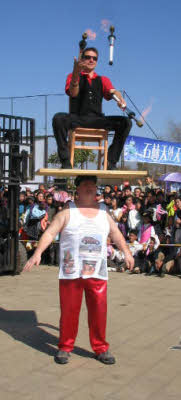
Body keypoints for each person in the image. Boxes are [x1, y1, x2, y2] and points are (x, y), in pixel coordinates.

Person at [24, 175, 134, 365]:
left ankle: (100, 348)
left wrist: (127, 252)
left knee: (99, 311)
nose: (90, 188)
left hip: (97, 272)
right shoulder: (67, 211)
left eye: (92, 185)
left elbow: (116, 233)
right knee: (69, 311)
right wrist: (37, 253)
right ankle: (65, 347)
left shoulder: (104, 212)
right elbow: (50, 232)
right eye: (85, 185)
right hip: (71, 271)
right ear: (78, 189)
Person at [52, 47, 132, 170]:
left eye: (94, 58)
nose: (91, 60)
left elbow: (113, 91)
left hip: (97, 119)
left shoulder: (102, 79)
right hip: (77, 118)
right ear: (82, 59)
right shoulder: (73, 76)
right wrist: (75, 72)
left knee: (125, 122)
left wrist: (120, 99)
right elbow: (73, 93)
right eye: (88, 57)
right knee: (58, 118)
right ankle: (66, 161)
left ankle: (110, 161)